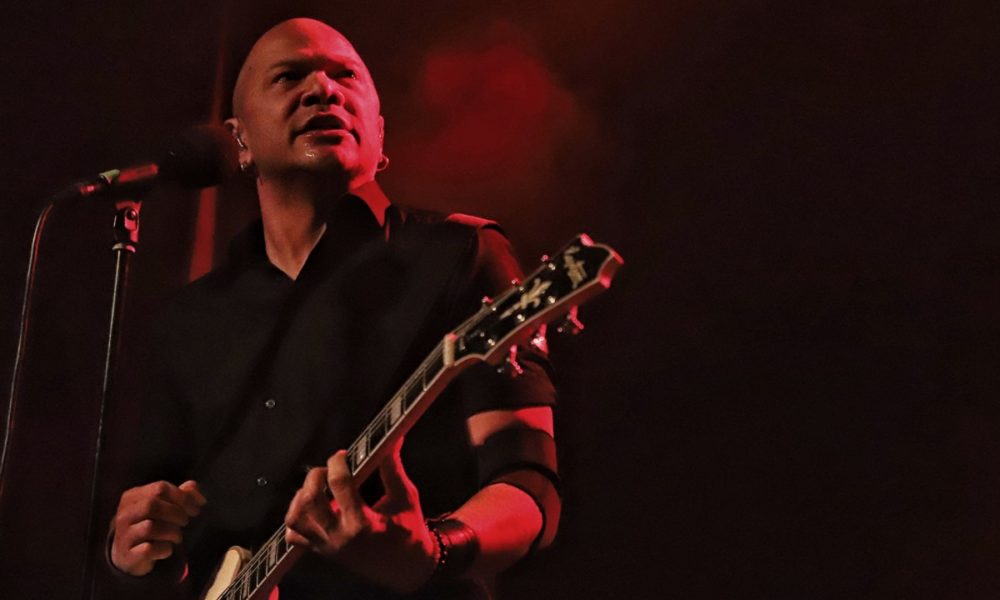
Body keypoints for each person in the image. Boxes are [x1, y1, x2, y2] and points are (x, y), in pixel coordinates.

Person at [107, 17, 559, 600]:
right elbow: (157, 526)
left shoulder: (460, 254)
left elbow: (529, 488)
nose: (322, 89)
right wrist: (132, 552)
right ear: (240, 141)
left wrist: (433, 550)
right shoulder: (189, 319)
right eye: (289, 76)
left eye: (345, 76)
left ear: (379, 133)